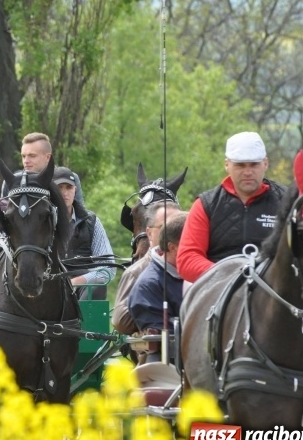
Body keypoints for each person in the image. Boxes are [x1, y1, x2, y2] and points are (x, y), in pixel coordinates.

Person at [176, 131, 286, 285]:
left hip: (275, 290)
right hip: (218, 289)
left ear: (265, 164)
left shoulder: (287, 203)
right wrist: (229, 276)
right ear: (227, 165)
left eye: (254, 164)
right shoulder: (206, 204)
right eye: (240, 165)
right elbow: (187, 259)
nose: (248, 172)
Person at [112, 201, 181, 335]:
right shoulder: (136, 272)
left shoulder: (197, 265)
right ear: (149, 233)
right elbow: (120, 321)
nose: (173, 233)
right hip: (156, 349)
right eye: (164, 227)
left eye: (177, 227)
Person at [128, 211, 189, 363]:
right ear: (172, 247)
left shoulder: (200, 272)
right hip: (168, 367)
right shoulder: (148, 285)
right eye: (191, 243)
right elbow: (163, 344)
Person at [54, 166, 116, 300]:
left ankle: (86, 322)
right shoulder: (41, 221)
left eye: (69, 187)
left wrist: (75, 282)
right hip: (49, 287)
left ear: (75, 190)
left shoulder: (91, 221)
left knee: (97, 286)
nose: (65, 193)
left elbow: (108, 269)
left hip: (81, 289)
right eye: (60, 188)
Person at [1, 132, 85, 204]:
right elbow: (4, 213)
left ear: (48, 157)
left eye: (32, 156)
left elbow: (80, 215)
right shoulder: (12, 180)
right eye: (23, 156)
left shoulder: (69, 178)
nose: (26, 161)